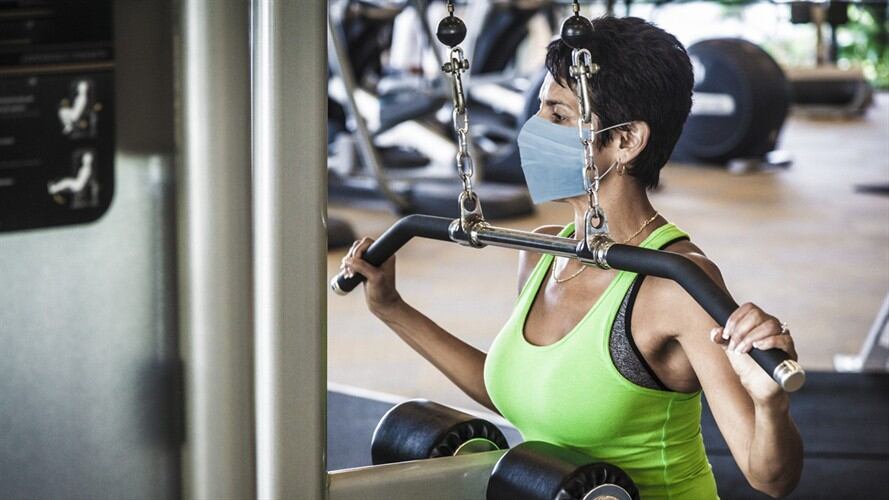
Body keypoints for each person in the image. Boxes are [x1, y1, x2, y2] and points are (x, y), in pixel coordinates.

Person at [341, 16, 802, 499]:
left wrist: (770, 404)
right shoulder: (545, 251)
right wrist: (392, 308)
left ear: (626, 141)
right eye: (539, 110)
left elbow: (770, 478)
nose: (532, 130)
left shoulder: (675, 283)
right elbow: (529, 394)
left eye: (557, 116)